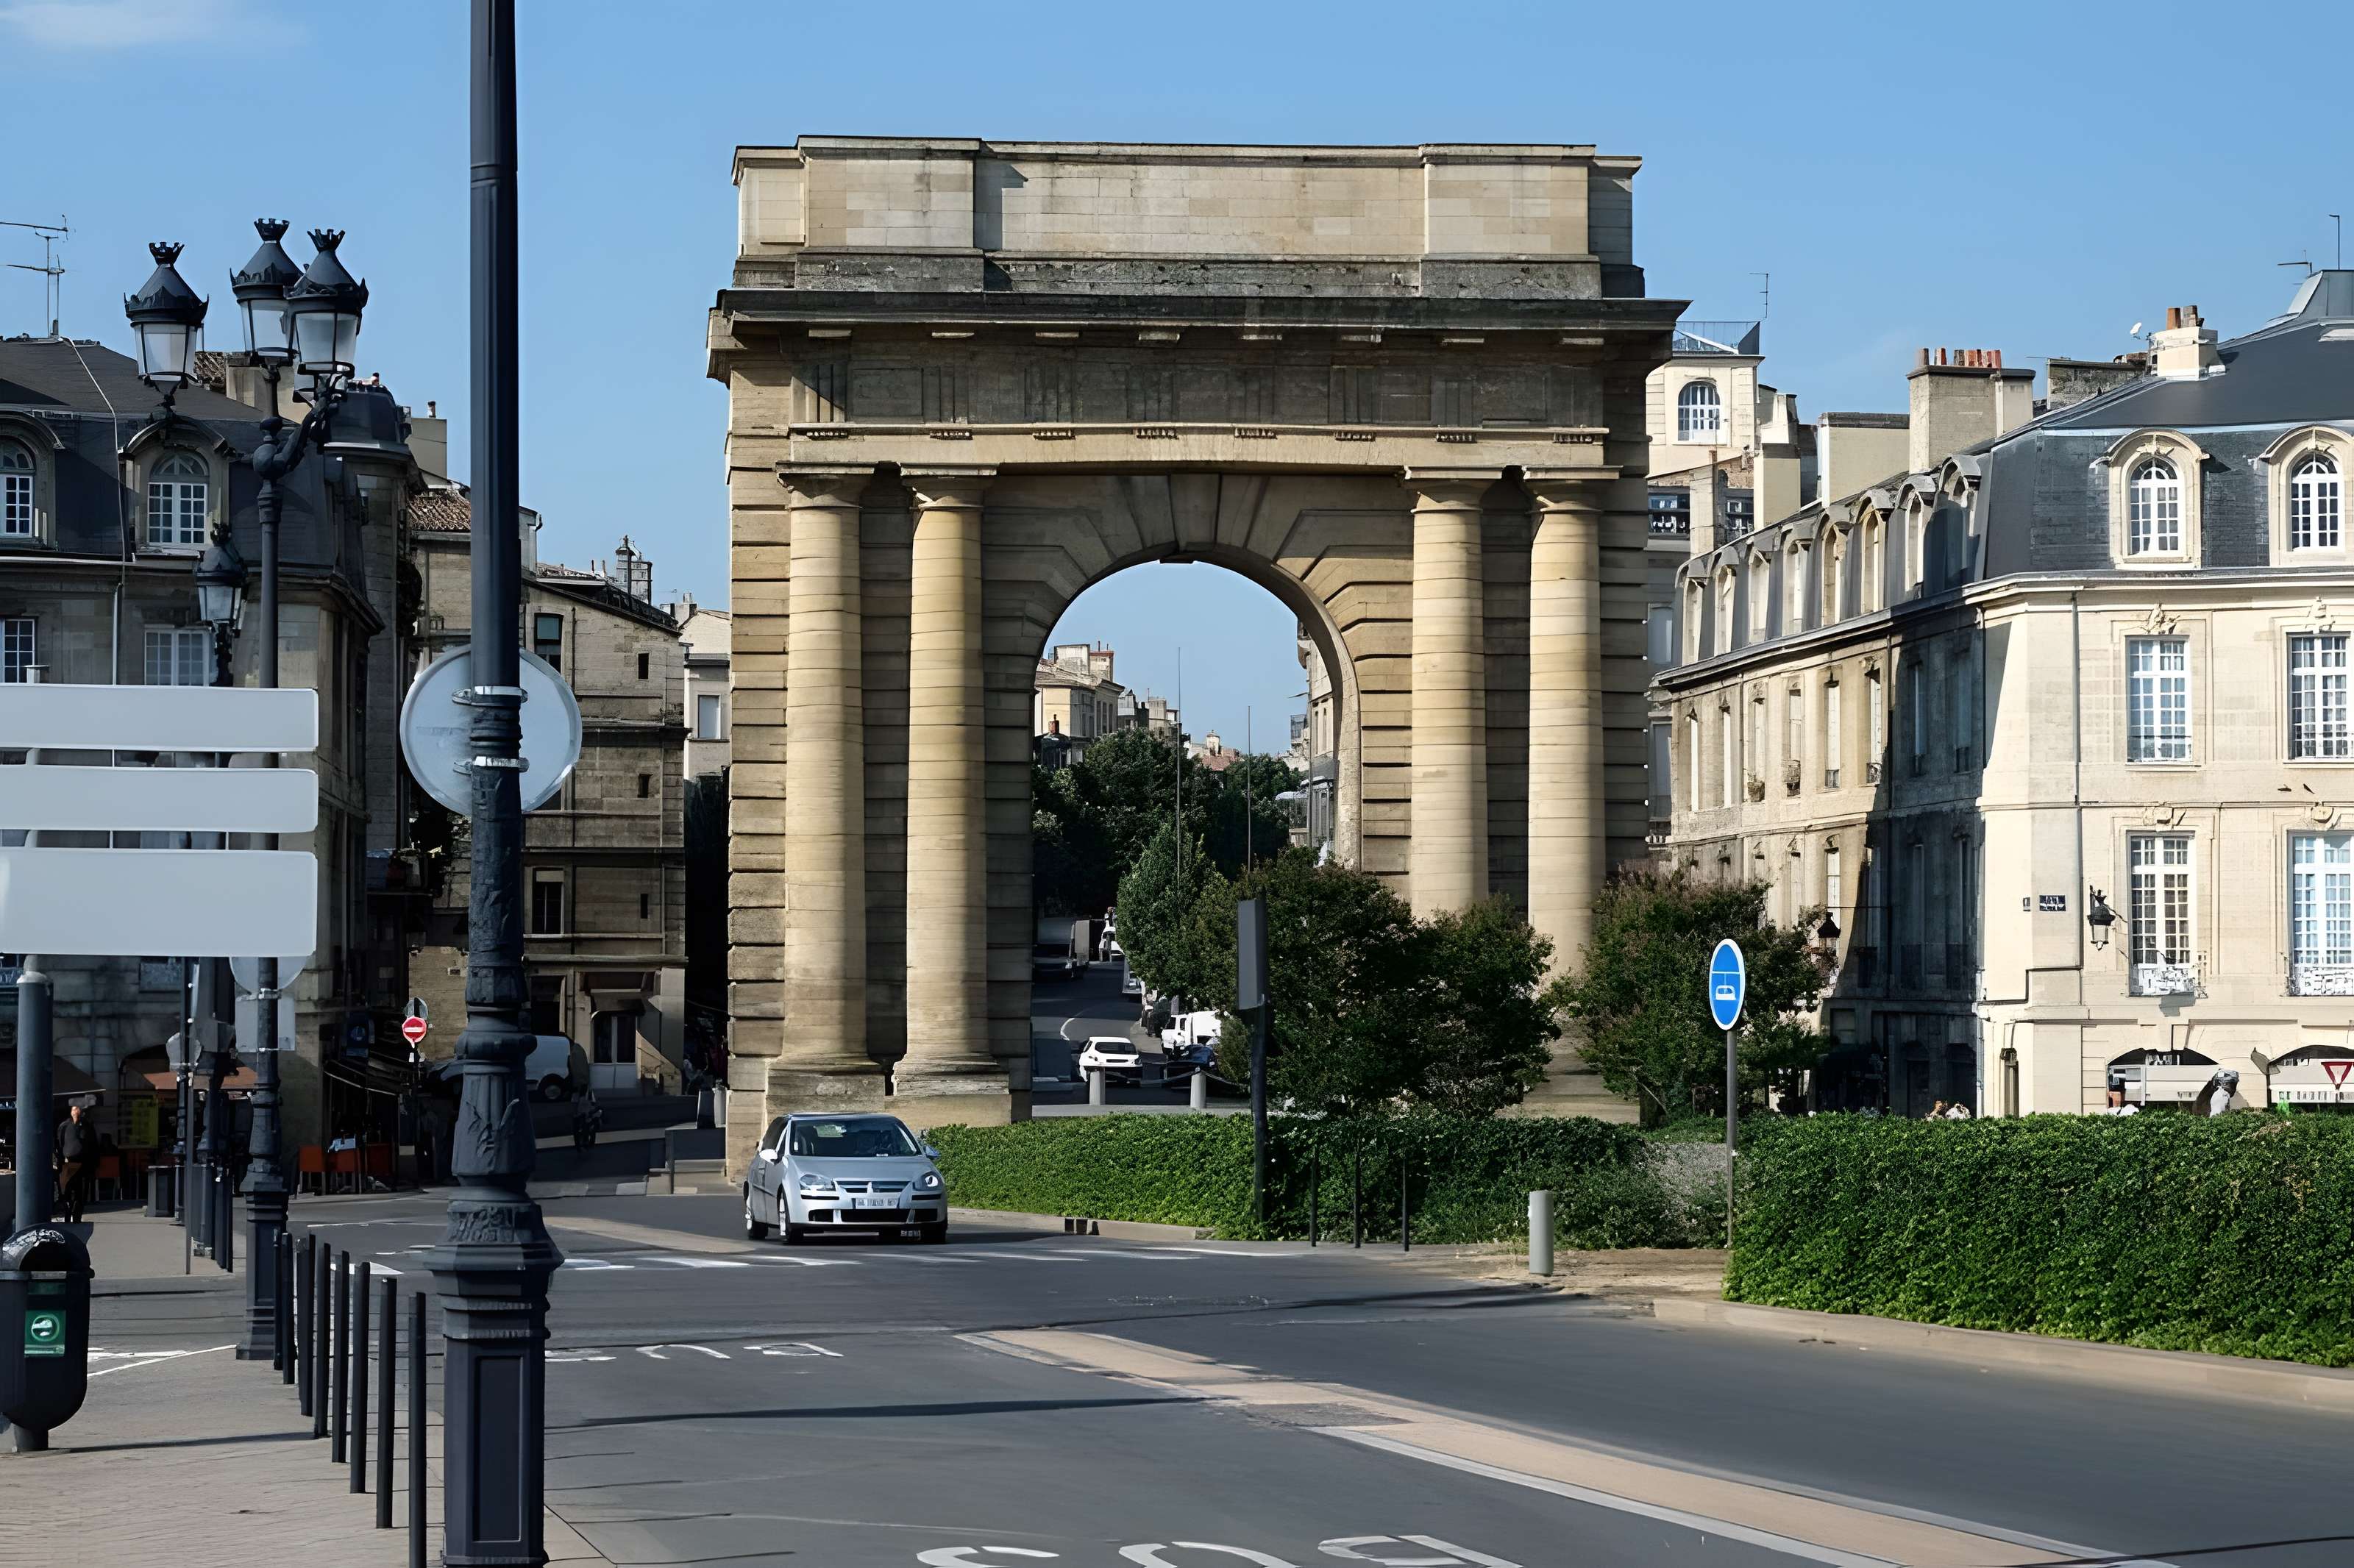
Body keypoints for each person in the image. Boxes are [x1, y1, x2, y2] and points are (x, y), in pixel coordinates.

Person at [54, 1100, 95, 1224]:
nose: (76, 1112)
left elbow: (92, 1145)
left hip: (83, 1164)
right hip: (68, 1163)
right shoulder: (64, 1126)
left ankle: (76, 1217)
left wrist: (93, 1164)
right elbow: (59, 1145)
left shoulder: (87, 1126)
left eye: (78, 1109)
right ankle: (67, 1214)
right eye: (74, 1109)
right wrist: (60, 1161)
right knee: (66, 1192)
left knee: (80, 1193)